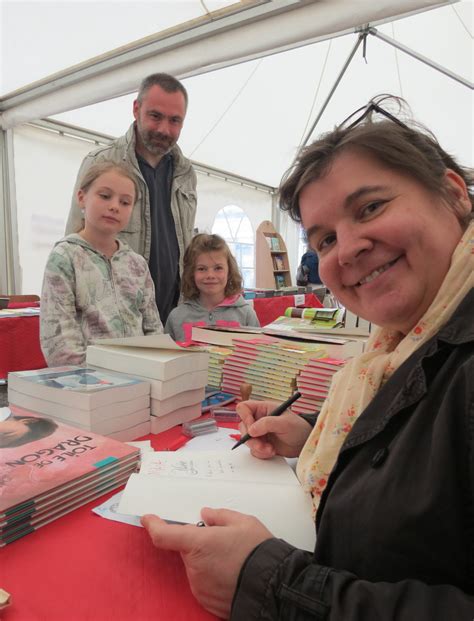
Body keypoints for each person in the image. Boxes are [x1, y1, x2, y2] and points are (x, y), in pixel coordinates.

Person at [141, 95, 474, 619]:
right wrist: (318, 432)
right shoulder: (402, 344)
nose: (348, 249)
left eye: (370, 207)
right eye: (324, 239)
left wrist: (271, 585)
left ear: (453, 193)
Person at [65, 73, 197, 324]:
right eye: (155, 116)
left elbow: (186, 245)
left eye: (175, 120)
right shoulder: (102, 162)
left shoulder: (186, 173)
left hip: (170, 318)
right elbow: (75, 242)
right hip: (114, 321)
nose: (164, 129)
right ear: (136, 109)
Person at [41, 161, 162, 367]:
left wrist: (155, 369)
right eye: (105, 196)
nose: (114, 206)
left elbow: (153, 328)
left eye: (125, 202)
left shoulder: (137, 264)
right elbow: (59, 339)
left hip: (142, 378)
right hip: (87, 384)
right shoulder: (65, 257)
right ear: (82, 197)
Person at [165, 233, 260, 342]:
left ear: (229, 271)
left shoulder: (246, 314)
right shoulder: (176, 317)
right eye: (202, 269)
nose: (210, 275)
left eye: (218, 268)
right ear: (191, 273)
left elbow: (257, 354)